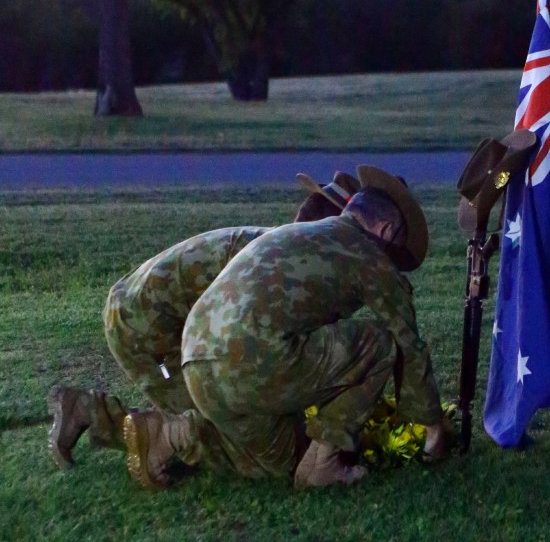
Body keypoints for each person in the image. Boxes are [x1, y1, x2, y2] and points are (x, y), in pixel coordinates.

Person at [122, 165, 444, 490]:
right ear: (386, 231)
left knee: (285, 461)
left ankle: (171, 433)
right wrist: (433, 426)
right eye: (394, 249)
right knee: (381, 341)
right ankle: (325, 463)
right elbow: (408, 344)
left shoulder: (289, 234)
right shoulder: (369, 255)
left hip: (194, 356)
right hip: (254, 360)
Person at [48, 171, 360, 471]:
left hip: (135, 310)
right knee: (242, 444)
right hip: (151, 330)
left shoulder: (273, 248)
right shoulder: (288, 273)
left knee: (230, 414)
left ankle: (90, 411)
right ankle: (140, 425)